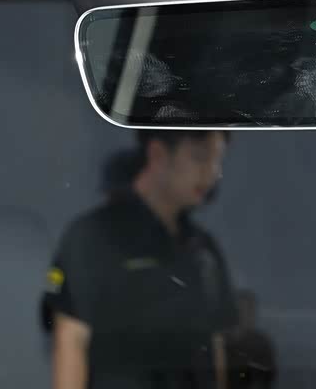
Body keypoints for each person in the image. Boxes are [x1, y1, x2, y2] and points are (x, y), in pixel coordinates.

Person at [45, 130, 236, 389]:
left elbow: (215, 346)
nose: (212, 172)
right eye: (200, 157)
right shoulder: (94, 237)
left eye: (218, 160)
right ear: (158, 154)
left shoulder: (204, 250)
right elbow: (71, 340)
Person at [225, 290, 277, 389]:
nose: (245, 315)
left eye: (249, 311)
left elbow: (266, 377)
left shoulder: (262, 343)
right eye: (241, 311)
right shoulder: (218, 341)